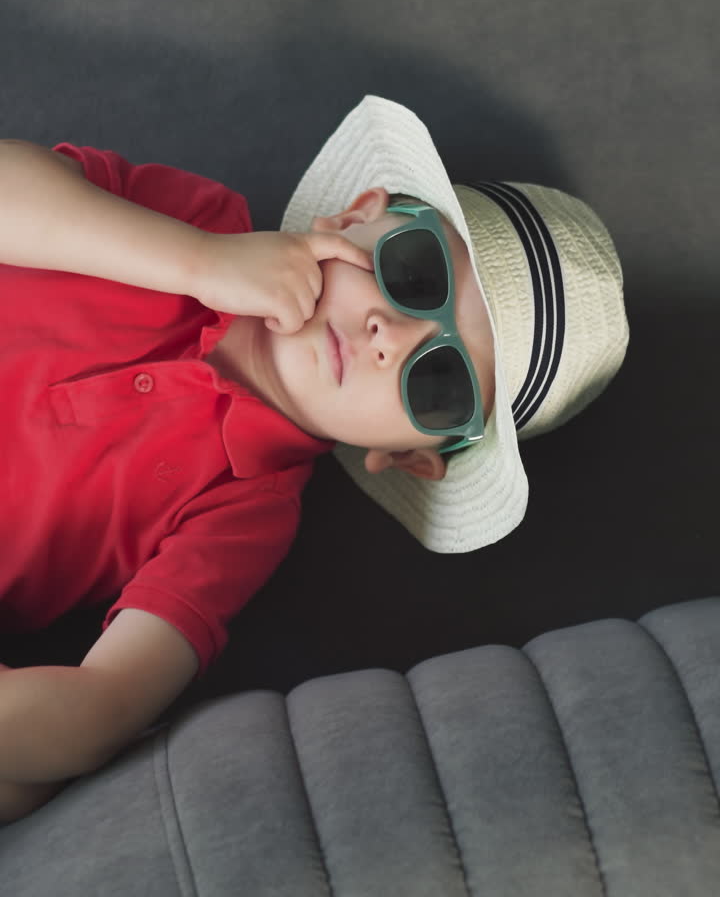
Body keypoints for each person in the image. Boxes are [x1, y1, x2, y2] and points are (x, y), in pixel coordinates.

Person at [0, 96, 628, 823]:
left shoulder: (246, 513)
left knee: (29, 780)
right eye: (416, 275)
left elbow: (100, 709)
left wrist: (57, 734)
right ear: (357, 214)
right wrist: (198, 262)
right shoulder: (194, 219)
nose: (388, 335)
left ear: (407, 455)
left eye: (437, 382)